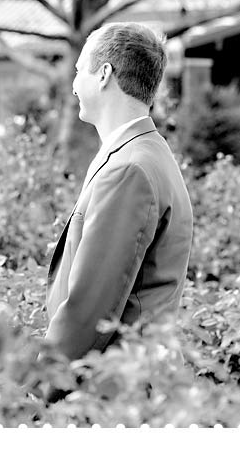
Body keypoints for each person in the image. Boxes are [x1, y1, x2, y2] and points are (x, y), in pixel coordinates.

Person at [45, 22, 194, 360]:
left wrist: (39, 389)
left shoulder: (129, 169)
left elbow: (91, 306)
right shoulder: (146, 152)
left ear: (104, 74)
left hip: (115, 386)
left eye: (80, 70)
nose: (73, 85)